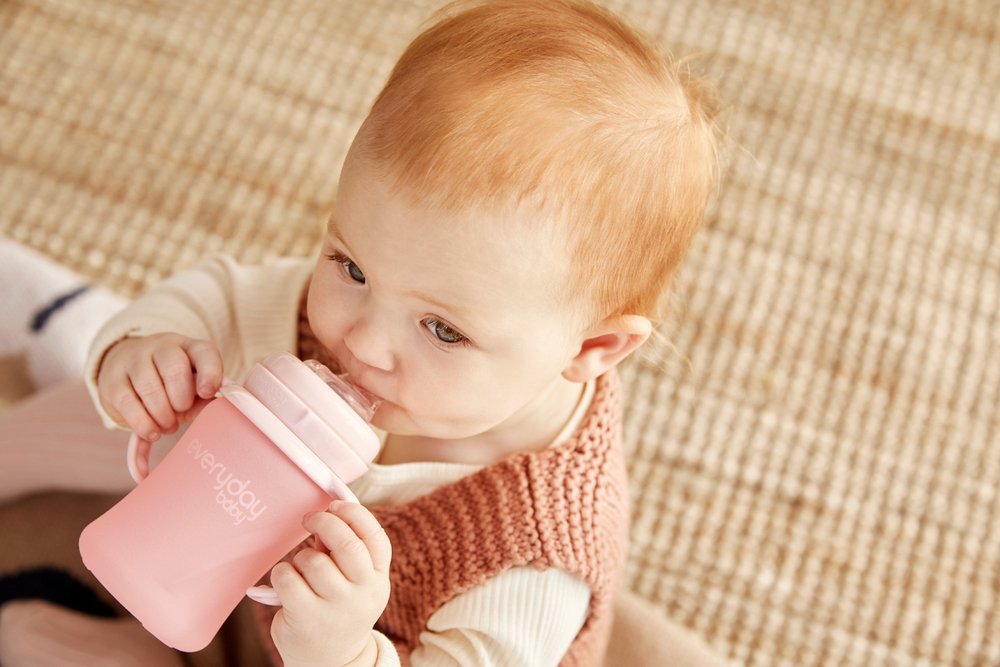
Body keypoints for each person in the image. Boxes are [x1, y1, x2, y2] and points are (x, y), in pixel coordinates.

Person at [0, 0, 724, 665]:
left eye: (442, 330)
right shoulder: (384, 300)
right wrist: (144, 351)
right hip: (238, 555)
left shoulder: (531, 552)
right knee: (176, 390)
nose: (361, 342)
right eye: (350, 266)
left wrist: (341, 647)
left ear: (590, 349)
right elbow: (223, 296)